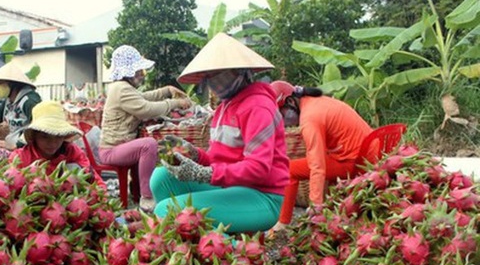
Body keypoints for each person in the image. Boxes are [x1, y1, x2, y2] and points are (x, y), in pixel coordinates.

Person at [149, 33, 289, 234]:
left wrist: (204, 173)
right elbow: (219, 162)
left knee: (166, 211)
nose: (212, 82)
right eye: (208, 76)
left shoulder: (258, 107)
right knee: (162, 177)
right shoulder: (226, 106)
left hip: (261, 196)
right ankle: (188, 248)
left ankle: (235, 257)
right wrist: (195, 154)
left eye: (217, 74)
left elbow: (258, 168)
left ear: (240, 71)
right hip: (230, 188)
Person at [270, 80, 374, 231]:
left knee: (290, 169)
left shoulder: (309, 119)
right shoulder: (318, 102)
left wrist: (315, 205)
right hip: (366, 154)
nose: (282, 120)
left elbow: (317, 166)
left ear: (291, 101)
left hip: (355, 161)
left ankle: (282, 222)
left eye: (281, 113)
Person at [99, 45, 192, 212]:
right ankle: (146, 197)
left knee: (146, 145)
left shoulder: (123, 88)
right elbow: (145, 109)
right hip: (111, 150)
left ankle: (138, 193)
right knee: (148, 145)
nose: (142, 75)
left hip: (119, 146)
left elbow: (144, 97)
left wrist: (167, 91)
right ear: (128, 71)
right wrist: (175, 103)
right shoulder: (120, 89)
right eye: (138, 71)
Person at [9, 101, 105, 188]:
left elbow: (97, 183)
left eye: (58, 136)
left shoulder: (72, 152)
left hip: (68, 203)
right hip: (31, 205)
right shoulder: (19, 158)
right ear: (34, 136)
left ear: (64, 136)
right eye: (44, 136)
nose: (53, 143)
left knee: (74, 168)